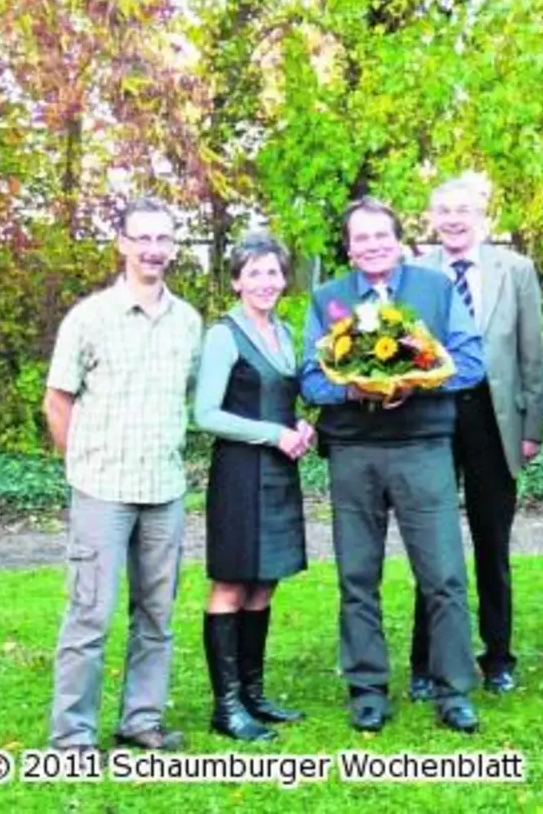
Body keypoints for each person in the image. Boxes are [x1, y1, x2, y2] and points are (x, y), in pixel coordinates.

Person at [299, 197, 487, 734]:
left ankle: (453, 691)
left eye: (381, 235)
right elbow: (310, 379)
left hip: (423, 448)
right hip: (354, 453)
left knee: (444, 575)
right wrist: (354, 388)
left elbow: (471, 361)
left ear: (399, 239)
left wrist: (417, 381)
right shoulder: (327, 300)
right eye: (361, 238)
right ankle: (367, 689)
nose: (372, 245)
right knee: (358, 574)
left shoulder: (435, 290)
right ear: (349, 247)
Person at [42, 197, 204, 753]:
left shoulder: (188, 321)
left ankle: (141, 719)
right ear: (123, 244)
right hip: (102, 493)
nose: (153, 250)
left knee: (157, 615)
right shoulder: (88, 318)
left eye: (163, 239)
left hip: (164, 490)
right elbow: (57, 401)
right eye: (143, 239)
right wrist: (80, 468)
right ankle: (72, 738)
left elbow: (189, 396)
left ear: (174, 247)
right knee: (89, 616)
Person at [406, 173, 543, 699]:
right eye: (443, 211)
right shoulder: (415, 272)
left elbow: (532, 354)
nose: (453, 219)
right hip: (433, 417)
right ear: (432, 218)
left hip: (494, 419)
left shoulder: (516, 270)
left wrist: (532, 427)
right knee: (431, 545)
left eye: (463, 210)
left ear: (483, 216)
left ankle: (499, 657)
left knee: (493, 543)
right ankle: (426, 662)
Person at [193, 233, 315, 742]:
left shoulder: (285, 332)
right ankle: (226, 707)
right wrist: (275, 433)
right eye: (256, 272)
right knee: (232, 582)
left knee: (266, 580)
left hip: (279, 475)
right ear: (238, 280)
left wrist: (303, 425)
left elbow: (286, 396)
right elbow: (204, 414)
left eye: (274, 272)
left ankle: (253, 694)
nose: (267, 281)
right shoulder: (225, 334)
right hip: (240, 473)